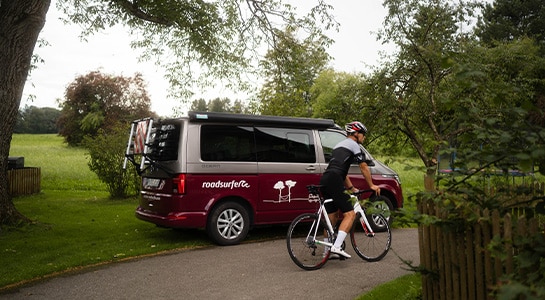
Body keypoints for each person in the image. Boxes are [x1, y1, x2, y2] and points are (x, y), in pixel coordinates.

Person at [319, 121, 380, 258]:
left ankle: (326, 253)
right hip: (335, 179)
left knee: (332, 217)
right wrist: (371, 185)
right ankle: (336, 247)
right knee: (350, 214)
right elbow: (363, 167)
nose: (364, 137)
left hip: (326, 179)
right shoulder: (354, 145)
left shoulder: (338, 146)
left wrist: (351, 187)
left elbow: (343, 172)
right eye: (363, 134)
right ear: (356, 133)